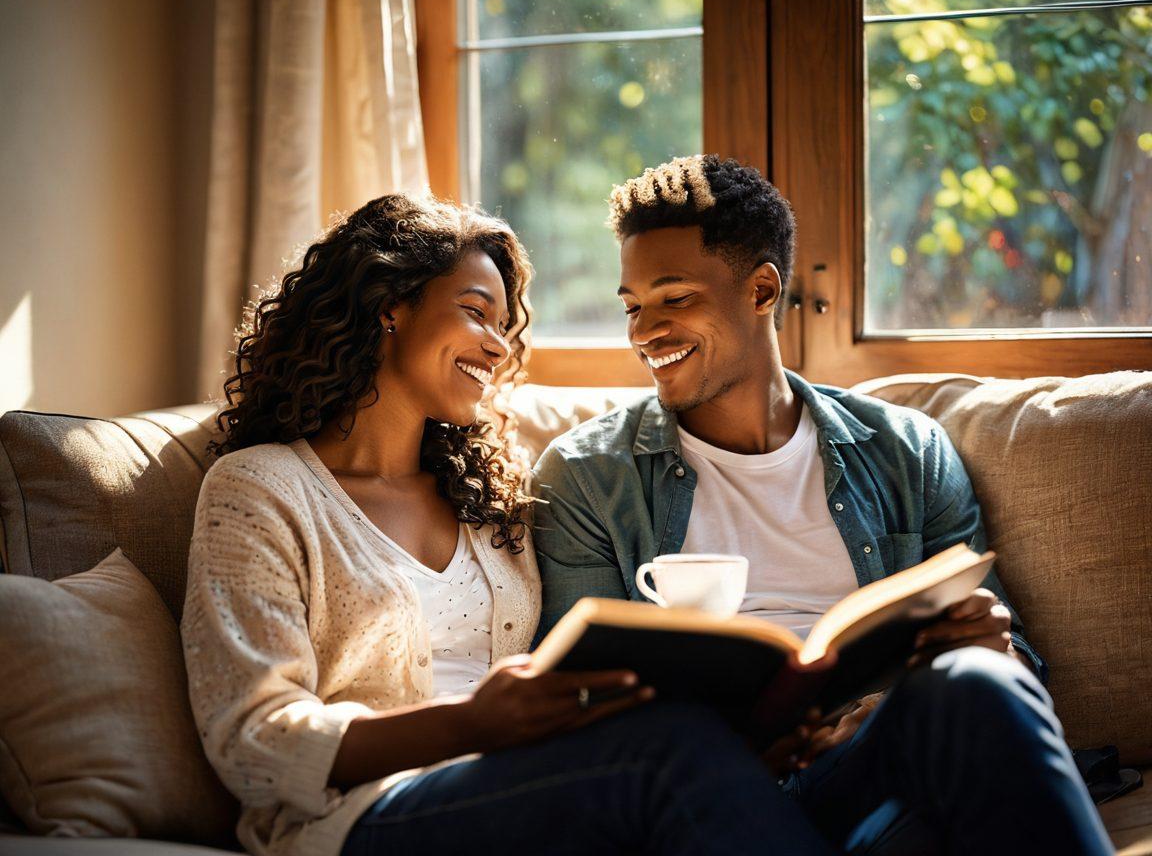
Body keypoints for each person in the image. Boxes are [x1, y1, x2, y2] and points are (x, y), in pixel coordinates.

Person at [180, 193, 839, 856]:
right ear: (388, 308)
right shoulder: (260, 490)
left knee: (706, 744)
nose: (498, 347)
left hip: (527, 791)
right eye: (475, 314)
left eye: (504, 325)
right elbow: (251, 740)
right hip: (359, 818)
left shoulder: (491, 504)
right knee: (666, 754)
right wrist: (470, 725)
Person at [531, 156, 1115, 855]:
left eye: (674, 298)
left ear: (762, 289)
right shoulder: (587, 476)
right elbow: (580, 712)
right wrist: (740, 744)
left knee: (975, 682)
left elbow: (1013, 658)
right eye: (633, 306)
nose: (642, 332)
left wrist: (989, 648)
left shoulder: (906, 451)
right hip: (706, 789)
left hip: (874, 762)